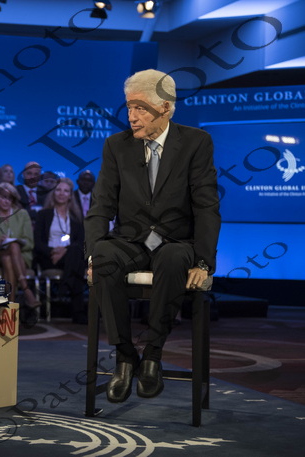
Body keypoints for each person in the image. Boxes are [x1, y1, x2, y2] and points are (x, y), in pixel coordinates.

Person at [85, 69, 220, 403]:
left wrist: (204, 261)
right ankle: (125, 356)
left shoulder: (196, 142)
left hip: (176, 243)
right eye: (129, 108)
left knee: (173, 259)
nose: (131, 116)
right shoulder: (116, 146)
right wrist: (91, 255)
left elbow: (206, 207)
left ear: (165, 108)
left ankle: (153, 355)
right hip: (131, 241)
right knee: (104, 256)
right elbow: (101, 206)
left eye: (140, 108)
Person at [34, 178, 86, 323]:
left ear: (70, 195)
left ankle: (64, 286)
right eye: (58, 190)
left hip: (69, 257)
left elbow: (81, 241)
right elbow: (38, 242)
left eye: (65, 191)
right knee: (78, 260)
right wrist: (52, 252)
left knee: (76, 252)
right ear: (53, 193)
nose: (62, 193)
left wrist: (64, 251)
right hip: (49, 257)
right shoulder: (43, 214)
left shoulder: (76, 218)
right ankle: (78, 311)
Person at [0, 183, 39, 308]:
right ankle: (26, 289)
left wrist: (16, 242)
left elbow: (30, 243)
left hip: (22, 256)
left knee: (11, 251)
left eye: (10, 198)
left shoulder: (22, 214)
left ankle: (10, 306)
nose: (6, 201)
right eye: (3, 197)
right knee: (10, 250)